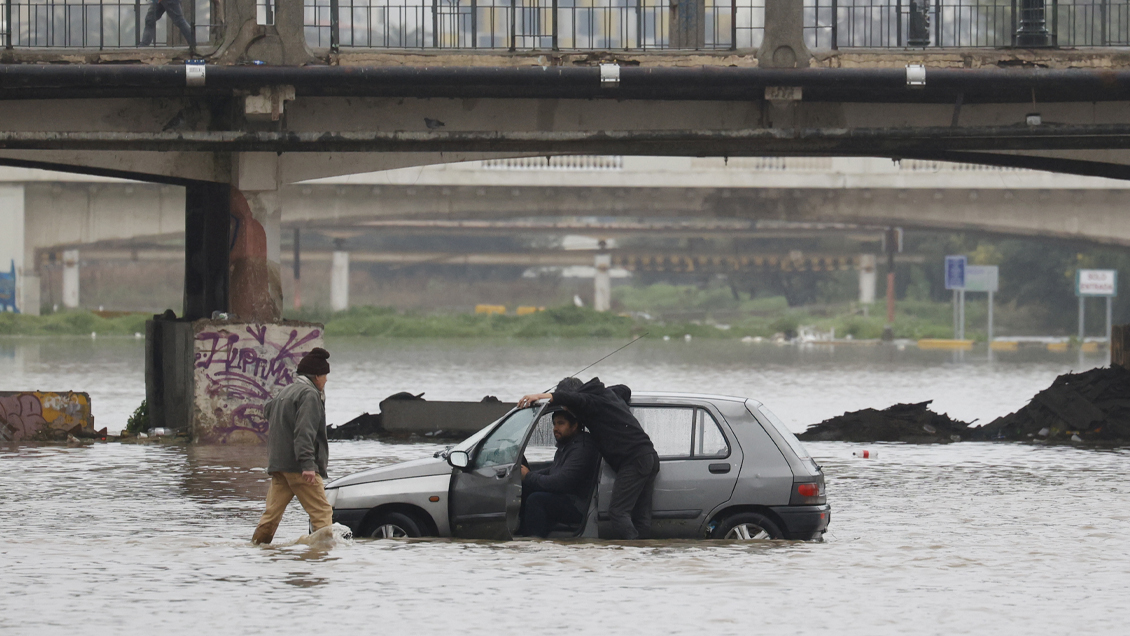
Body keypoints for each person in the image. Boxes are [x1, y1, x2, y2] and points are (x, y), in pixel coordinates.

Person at [518, 377, 659, 540]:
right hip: (649, 455)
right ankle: (643, 550)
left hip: (633, 460)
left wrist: (539, 396)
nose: (566, 409)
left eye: (566, 406)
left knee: (618, 512)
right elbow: (624, 389)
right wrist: (608, 396)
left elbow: (573, 398)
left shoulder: (589, 401)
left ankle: (633, 548)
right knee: (640, 516)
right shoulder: (602, 396)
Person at [251, 347, 332, 545]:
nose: (326, 380)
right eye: (325, 376)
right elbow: (305, 432)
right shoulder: (310, 395)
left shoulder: (286, 391)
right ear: (317, 376)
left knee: (271, 516)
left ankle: (256, 549)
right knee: (322, 512)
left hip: (279, 465)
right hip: (299, 467)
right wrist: (308, 465)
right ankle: (323, 555)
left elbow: (268, 411)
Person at [518, 408, 600, 538]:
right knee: (526, 488)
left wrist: (529, 476)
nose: (555, 428)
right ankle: (521, 533)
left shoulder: (582, 448)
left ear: (574, 425)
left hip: (578, 505)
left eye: (561, 423)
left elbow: (561, 482)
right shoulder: (568, 444)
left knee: (536, 499)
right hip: (567, 497)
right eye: (554, 424)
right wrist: (526, 475)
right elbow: (554, 470)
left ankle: (535, 541)